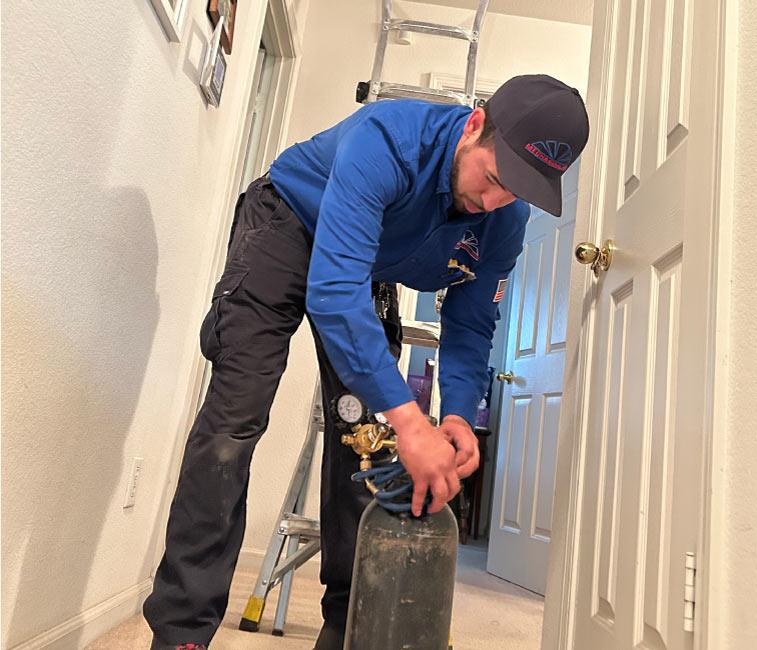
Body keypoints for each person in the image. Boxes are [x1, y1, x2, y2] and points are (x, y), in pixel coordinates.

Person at [143, 74, 589, 650]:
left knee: (367, 442)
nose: (494, 201)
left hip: (368, 264)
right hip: (287, 224)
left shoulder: (504, 220)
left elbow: (471, 322)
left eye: (517, 192)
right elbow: (333, 291)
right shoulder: (389, 139)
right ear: (474, 126)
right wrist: (411, 419)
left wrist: (454, 414)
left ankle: (352, 631)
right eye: (495, 178)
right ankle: (181, 632)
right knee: (233, 423)